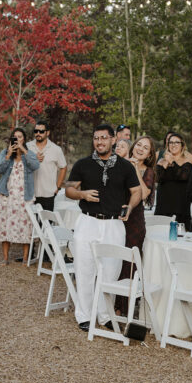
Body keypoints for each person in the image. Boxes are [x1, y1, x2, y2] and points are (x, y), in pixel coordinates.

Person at [65, 124, 142, 331]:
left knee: (111, 272)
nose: (99, 142)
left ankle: (105, 314)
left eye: (104, 138)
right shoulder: (83, 164)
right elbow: (69, 189)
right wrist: (82, 194)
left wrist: (131, 206)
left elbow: (137, 191)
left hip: (114, 224)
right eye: (96, 138)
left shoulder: (126, 167)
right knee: (85, 270)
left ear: (113, 140)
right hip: (87, 222)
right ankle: (84, 315)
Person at [116, 135, 157, 315]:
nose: (140, 148)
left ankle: (125, 308)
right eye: (138, 144)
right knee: (114, 260)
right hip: (116, 218)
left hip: (135, 223)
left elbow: (144, 193)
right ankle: (109, 303)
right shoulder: (119, 164)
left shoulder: (148, 171)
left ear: (149, 154)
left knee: (129, 264)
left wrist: (134, 169)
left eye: (145, 147)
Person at [0, 127, 40, 266]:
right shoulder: (5, 153)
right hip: (7, 196)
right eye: (15, 137)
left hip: (24, 197)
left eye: (20, 137)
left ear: (24, 139)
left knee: (25, 226)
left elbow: (36, 165)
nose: (17, 139)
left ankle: (25, 259)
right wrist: (8, 155)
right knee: (5, 225)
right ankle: (5, 258)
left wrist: (23, 151)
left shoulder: (29, 153)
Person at [154, 131, 192, 226]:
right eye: (171, 142)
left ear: (182, 145)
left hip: (180, 209)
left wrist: (172, 161)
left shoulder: (187, 162)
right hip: (162, 208)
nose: (173, 145)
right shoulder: (161, 161)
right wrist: (166, 163)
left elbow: (182, 177)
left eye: (177, 142)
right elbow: (158, 179)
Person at [31, 120, 67, 212]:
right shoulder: (27, 147)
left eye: (41, 131)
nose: (38, 133)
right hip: (30, 194)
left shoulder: (56, 149)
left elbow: (63, 167)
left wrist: (58, 187)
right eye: (36, 131)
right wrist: (32, 158)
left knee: (47, 224)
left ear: (47, 133)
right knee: (30, 225)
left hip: (48, 195)